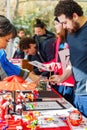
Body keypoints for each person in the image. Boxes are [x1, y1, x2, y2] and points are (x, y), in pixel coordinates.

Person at [49, 0, 87, 117]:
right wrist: (62, 77)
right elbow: (73, 61)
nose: (64, 26)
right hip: (78, 92)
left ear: (75, 16)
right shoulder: (71, 33)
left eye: (65, 22)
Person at [0, 15, 40, 82]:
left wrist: (28, 75)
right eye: (6, 40)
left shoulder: (1, 53)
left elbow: (8, 66)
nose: (5, 46)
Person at [52, 17, 74, 104]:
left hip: (70, 82)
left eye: (57, 24)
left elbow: (72, 61)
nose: (55, 27)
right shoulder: (59, 39)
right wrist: (50, 65)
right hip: (60, 81)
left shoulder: (72, 39)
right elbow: (58, 59)